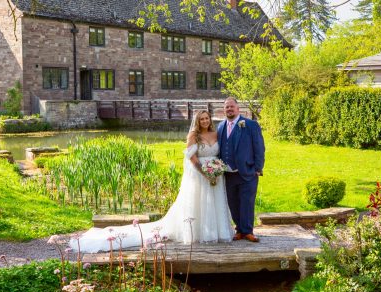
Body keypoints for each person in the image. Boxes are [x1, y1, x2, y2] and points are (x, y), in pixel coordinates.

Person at [70, 110, 234, 253]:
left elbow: (219, 153)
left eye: (207, 118)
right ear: (197, 121)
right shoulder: (193, 136)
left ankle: (217, 233)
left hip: (216, 174)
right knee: (200, 204)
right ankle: (201, 234)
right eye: (202, 119)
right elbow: (192, 158)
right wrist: (205, 173)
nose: (205, 121)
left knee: (214, 203)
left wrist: (217, 169)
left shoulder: (216, 134)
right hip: (200, 175)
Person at [217, 97, 265, 242]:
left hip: (247, 171)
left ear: (238, 109)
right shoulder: (220, 126)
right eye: (227, 107)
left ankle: (248, 231)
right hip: (228, 174)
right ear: (224, 110)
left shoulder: (250, 125)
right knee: (233, 203)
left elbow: (259, 147)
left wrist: (258, 167)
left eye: (232, 107)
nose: (229, 109)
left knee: (247, 202)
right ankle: (239, 229)